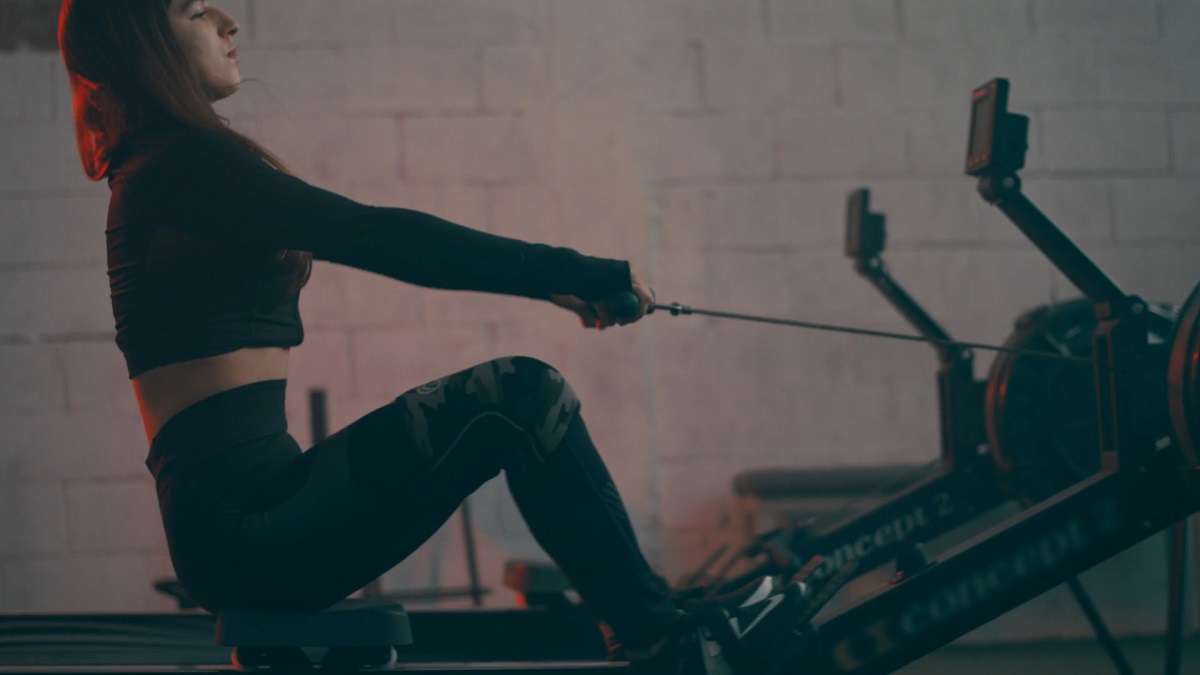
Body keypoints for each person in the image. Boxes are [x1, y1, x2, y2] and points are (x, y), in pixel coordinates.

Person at [57, 1, 813, 672]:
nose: (231, 22)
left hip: (255, 519)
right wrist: (575, 268)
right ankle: (667, 643)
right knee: (520, 394)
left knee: (516, 397)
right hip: (248, 532)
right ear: (140, 44)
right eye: (195, 10)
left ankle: (664, 629)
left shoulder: (166, 171)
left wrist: (550, 279)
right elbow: (378, 235)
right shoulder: (179, 166)